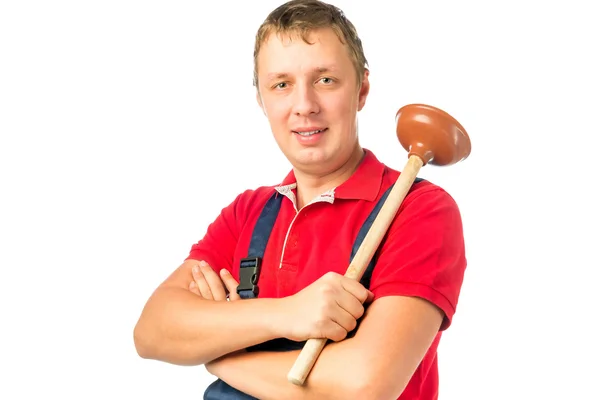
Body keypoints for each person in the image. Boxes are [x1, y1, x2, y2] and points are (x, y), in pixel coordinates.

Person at [133, 0, 468, 398]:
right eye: (281, 84)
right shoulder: (249, 212)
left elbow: (365, 384)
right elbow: (153, 331)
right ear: (261, 99)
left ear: (362, 88)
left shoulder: (419, 210)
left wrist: (222, 351)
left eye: (325, 80)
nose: (304, 106)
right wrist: (289, 314)